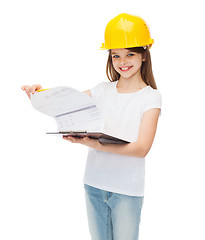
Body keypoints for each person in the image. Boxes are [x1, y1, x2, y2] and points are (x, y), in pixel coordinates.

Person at [22, 13, 162, 240]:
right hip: (94, 185)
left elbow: (141, 148)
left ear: (144, 55)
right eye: (116, 55)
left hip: (127, 191)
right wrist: (39, 93)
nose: (122, 62)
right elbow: (64, 104)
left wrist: (94, 143)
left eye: (130, 54)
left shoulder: (151, 98)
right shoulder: (102, 90)